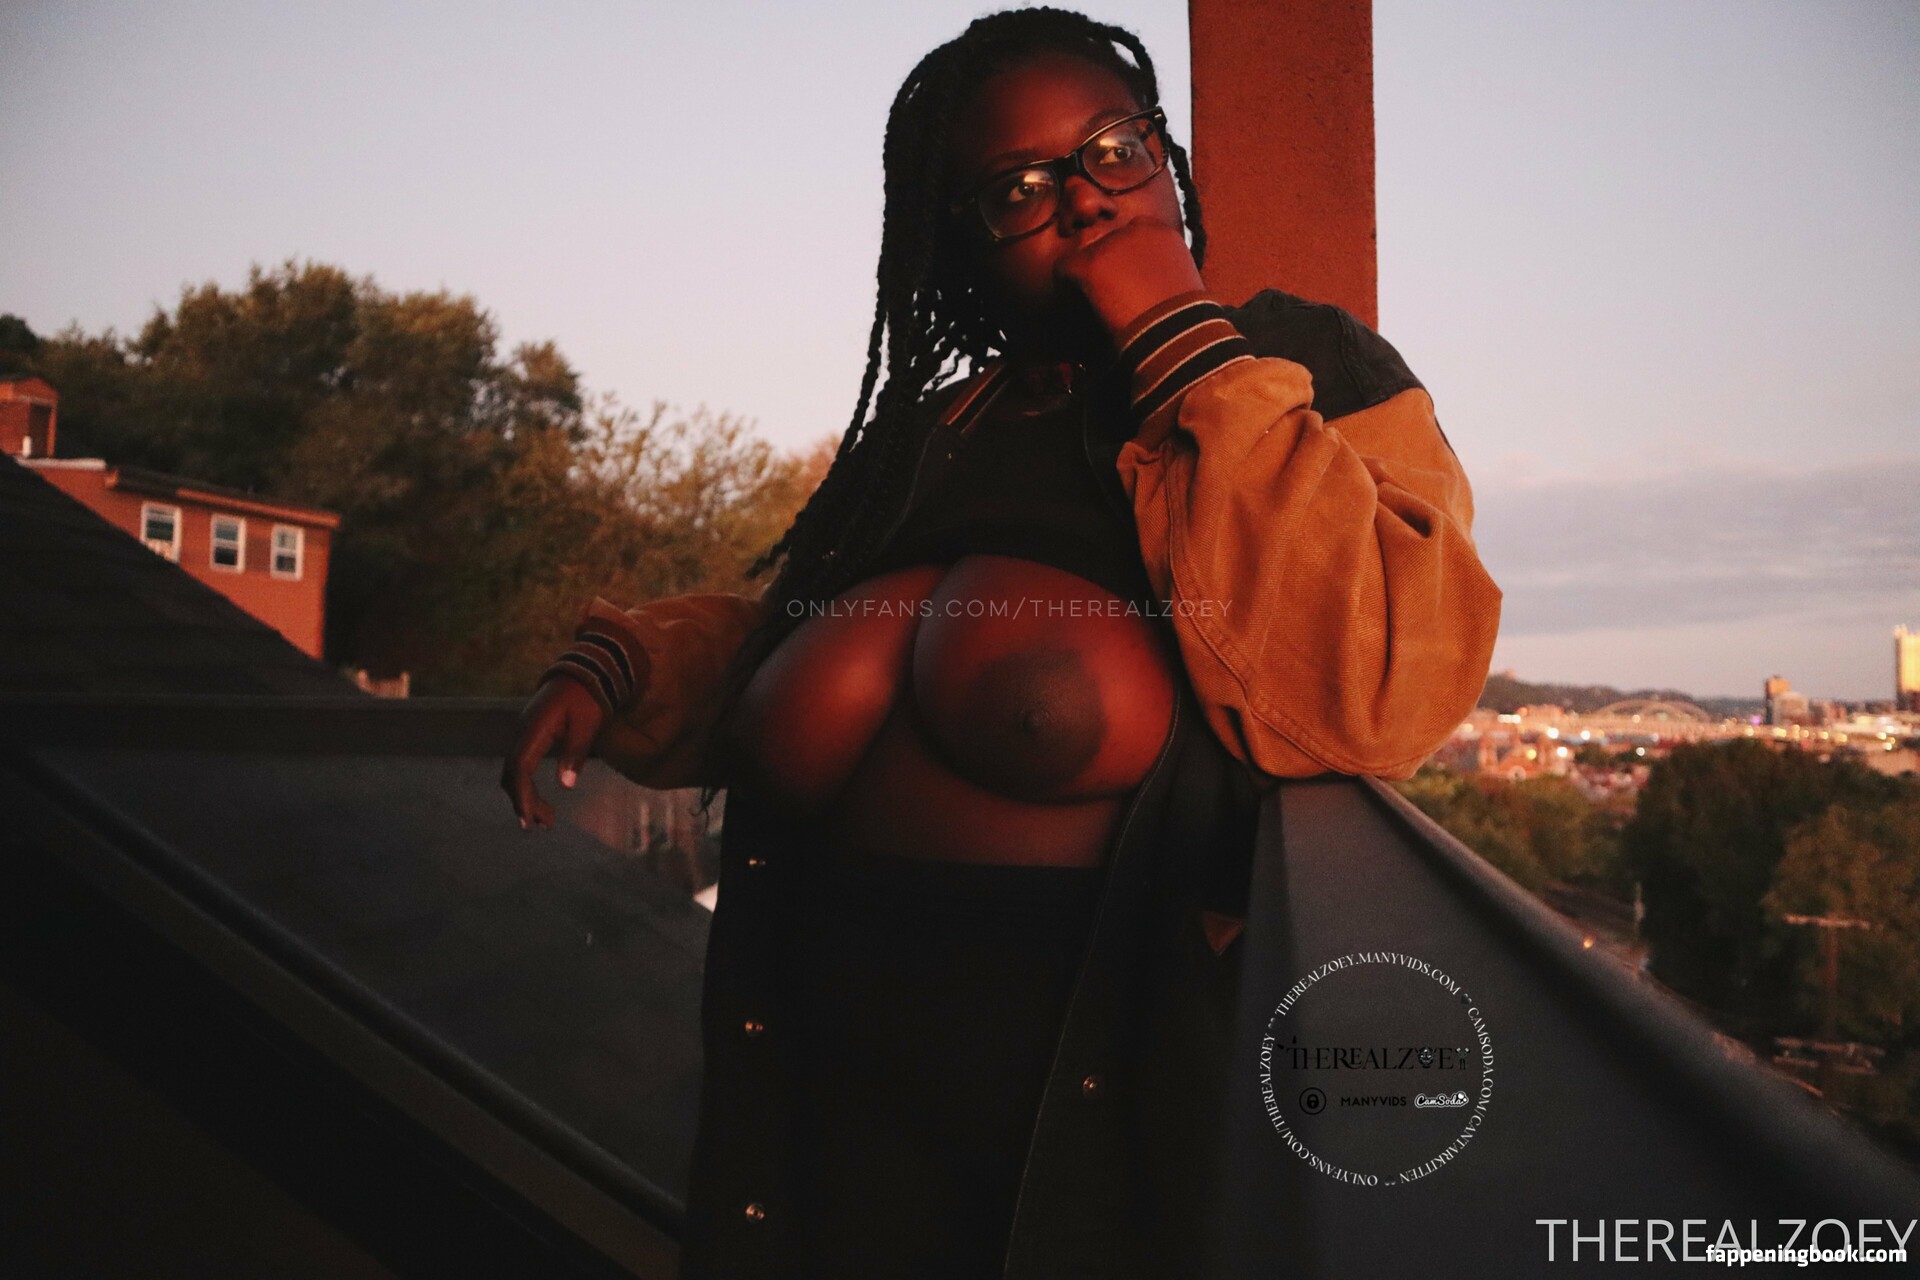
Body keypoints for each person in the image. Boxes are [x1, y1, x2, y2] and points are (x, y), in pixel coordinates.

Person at [501, 8, 1502, 1277]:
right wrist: (628, 665)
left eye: (1115, 149)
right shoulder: (933, 433)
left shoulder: (1296, 367)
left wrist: (1175, 331)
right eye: (1020, 187)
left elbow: (1382, 683)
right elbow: (794, 638)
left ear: (1166, 160)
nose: (1085, 197)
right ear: (960, 240)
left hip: (1077, 1156)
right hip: (803, 1123)